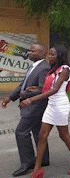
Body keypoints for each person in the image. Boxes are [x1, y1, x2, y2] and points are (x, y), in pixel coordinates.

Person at [19, 46, 70, 177]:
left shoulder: (65, 69)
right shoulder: (53, 70)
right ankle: (37, 170)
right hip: (51, 105)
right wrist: (36, 88)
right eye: (50, 54)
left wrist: (31, 100)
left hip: (60, 106)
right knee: (42, 136)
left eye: (53, 54)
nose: (51, 56)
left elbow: (55, 90)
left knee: (64, 135)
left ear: (60, 55)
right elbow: (47, 87)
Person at [1, 43, 50, 177]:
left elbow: (43, 90)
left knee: (21, 132)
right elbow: (23, 84)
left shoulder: (44, 68)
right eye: (29, 50)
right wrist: (9, 97)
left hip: (35, 107)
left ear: (41, 54)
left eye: (32, 51)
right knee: (38, 132)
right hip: (32, 106)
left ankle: (27, 163)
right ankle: (44, 159)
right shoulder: (33, 66)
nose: (29, 53)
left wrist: (25, 95)